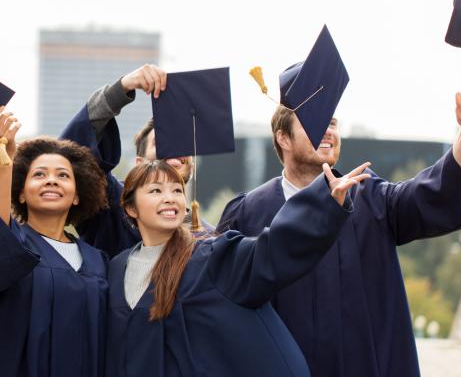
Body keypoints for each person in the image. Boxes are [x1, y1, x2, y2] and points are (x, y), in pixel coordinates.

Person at [216, 87, 461, 377]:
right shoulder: (247, 213)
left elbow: (429, 192)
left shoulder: (369, 198)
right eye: (314, 120)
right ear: (283, 138)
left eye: (332, 123)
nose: (328, 130)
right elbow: (217, 295)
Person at [108, 158, 367, 376]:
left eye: (177, 190)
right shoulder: (117, 268)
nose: (170, 199)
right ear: (131, 207)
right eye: (156, 191)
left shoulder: (208, 255)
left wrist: (324, 204)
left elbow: (272, 250)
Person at [0, 111, 110, 377]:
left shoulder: (98, 261)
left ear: (77, 195)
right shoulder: (12, 244)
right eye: (39, 174)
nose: (51, 180)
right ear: (21, 191)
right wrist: (4, 158)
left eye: (63, 176)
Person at [61, 64, 208, 257]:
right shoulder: (112, 205)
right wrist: (121, 89)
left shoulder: (208, 237)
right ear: (139, 163)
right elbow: (71, 157)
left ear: (192, 165)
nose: (173, 149)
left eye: (182, 143)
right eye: (160, 143)